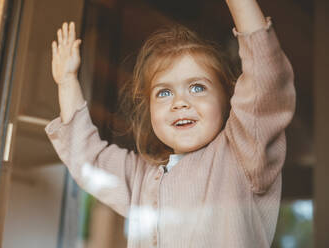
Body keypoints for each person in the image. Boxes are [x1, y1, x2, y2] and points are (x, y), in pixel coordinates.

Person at [45, 0, 296, 247]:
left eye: (197, 87)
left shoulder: (242, 154)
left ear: (229, 98)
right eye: (164, 93)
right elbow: (87, 159)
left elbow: (265, 79)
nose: (179, 102)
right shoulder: (140, 177)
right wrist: (67, 82)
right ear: (149, 108)